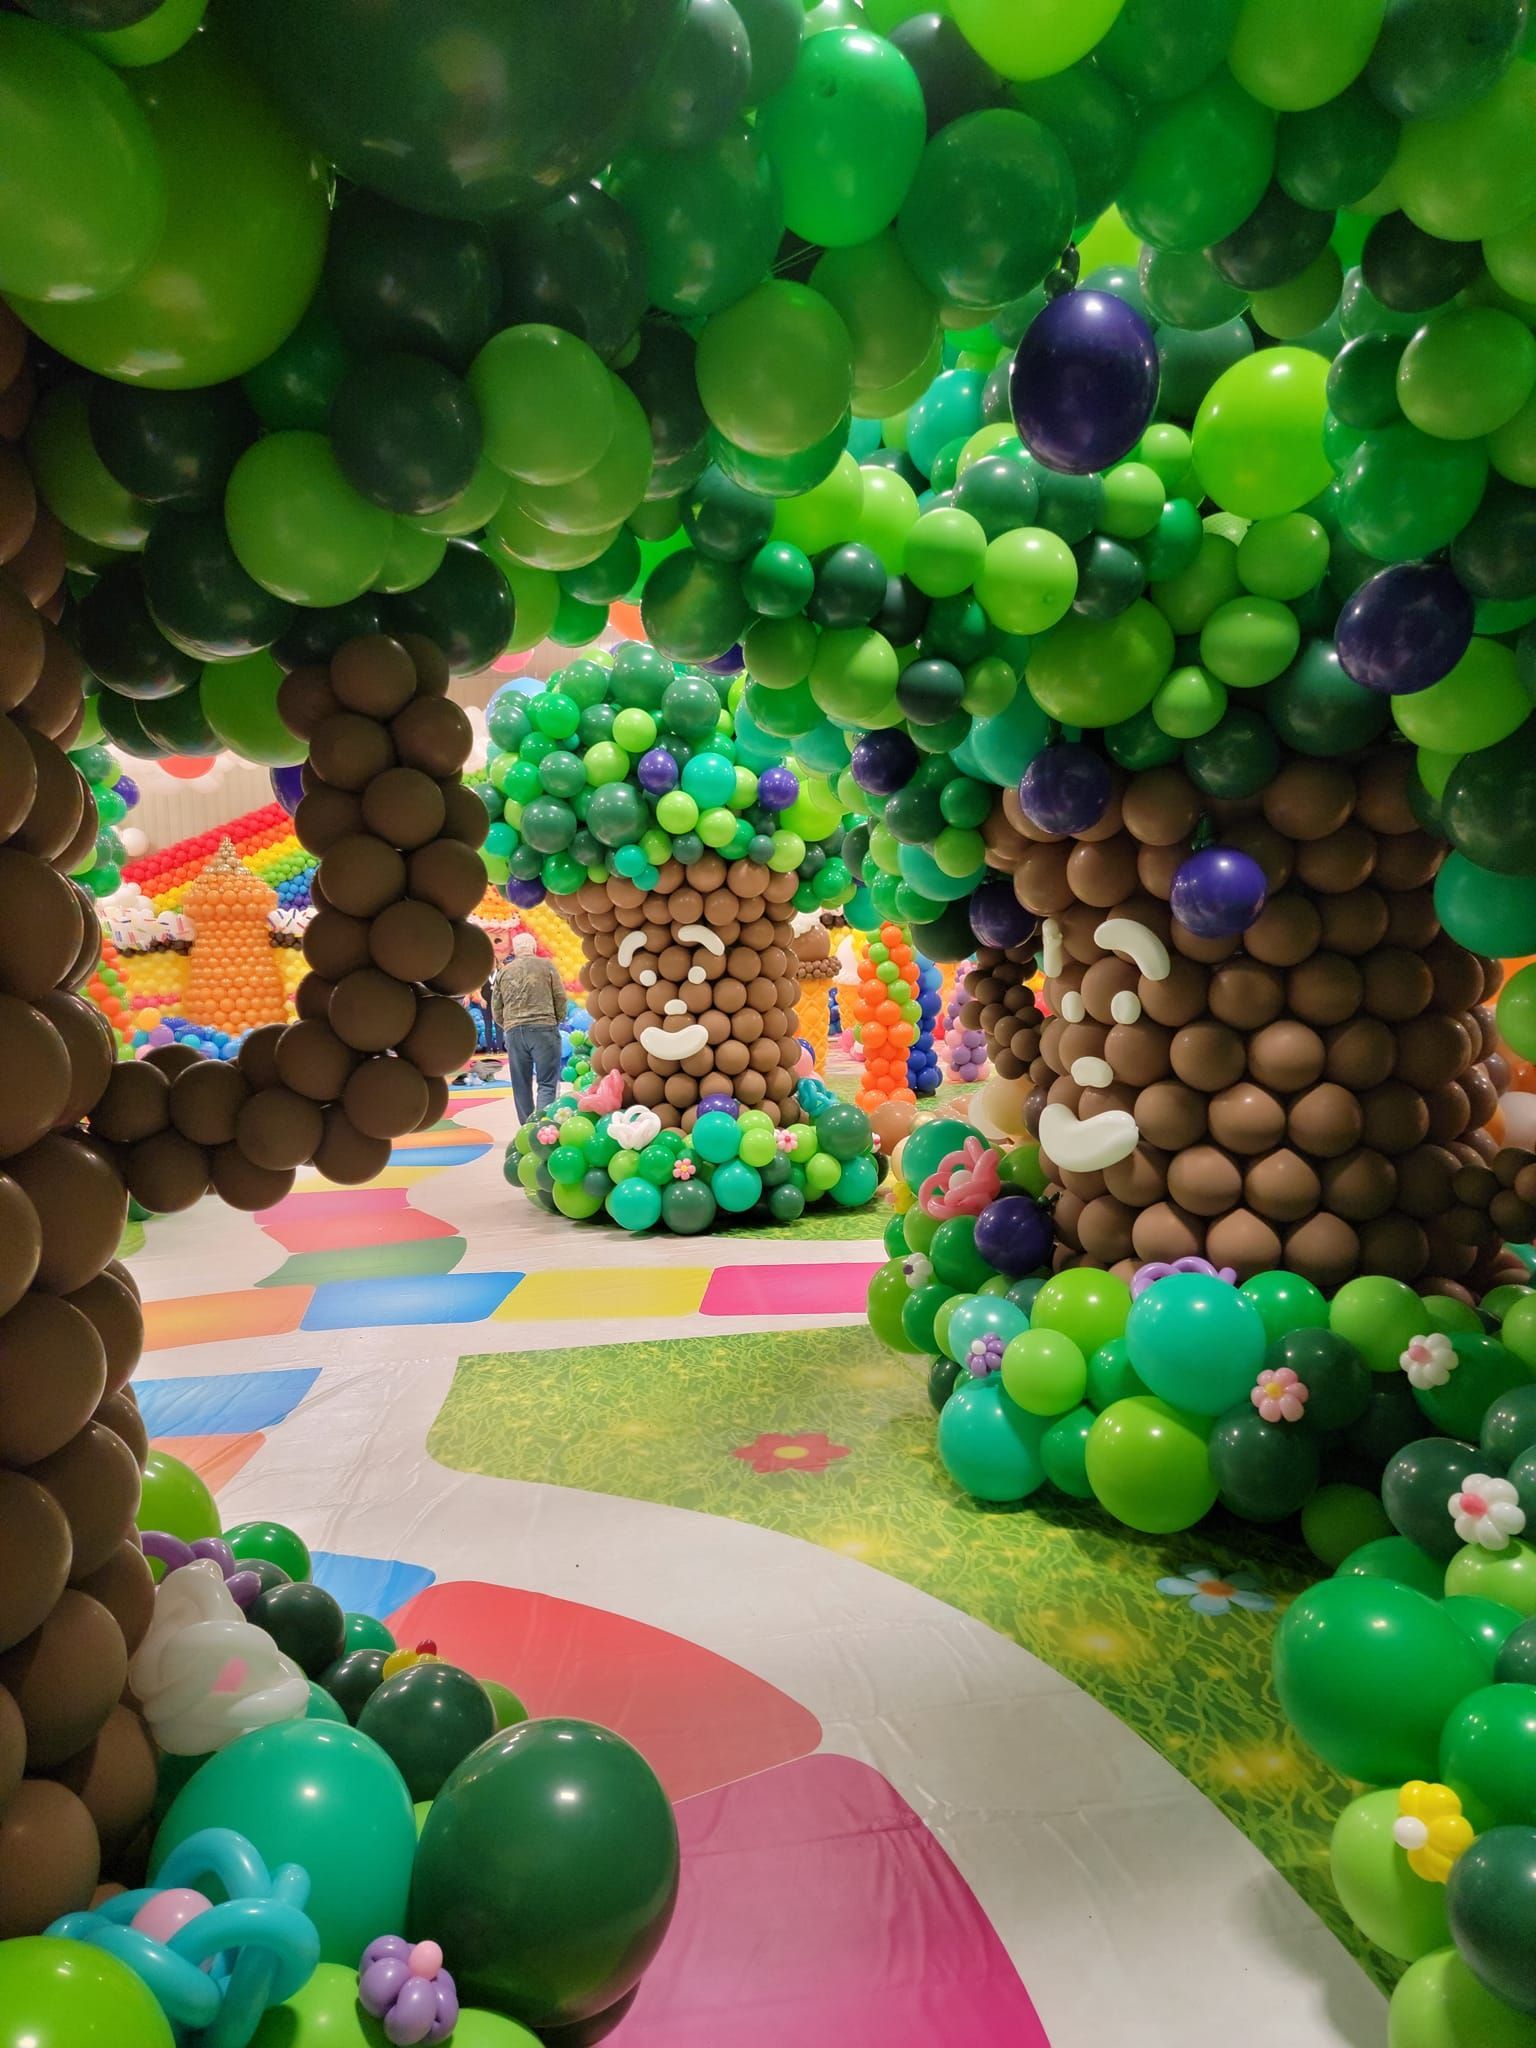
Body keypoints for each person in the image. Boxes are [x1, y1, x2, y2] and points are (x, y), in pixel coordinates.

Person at [491, 931, 568, 1122]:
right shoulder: (547, 966)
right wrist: (555, 1020)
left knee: (521, 1084)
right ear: (533, 948)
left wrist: (509, 1025)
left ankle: (526, 1130)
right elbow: (560, 997)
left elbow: (496, 1007)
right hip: (544, 1029)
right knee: (547, 1084)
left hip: (514, 1032)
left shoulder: (504, 972)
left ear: (515, 950)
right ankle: (543, 1128)